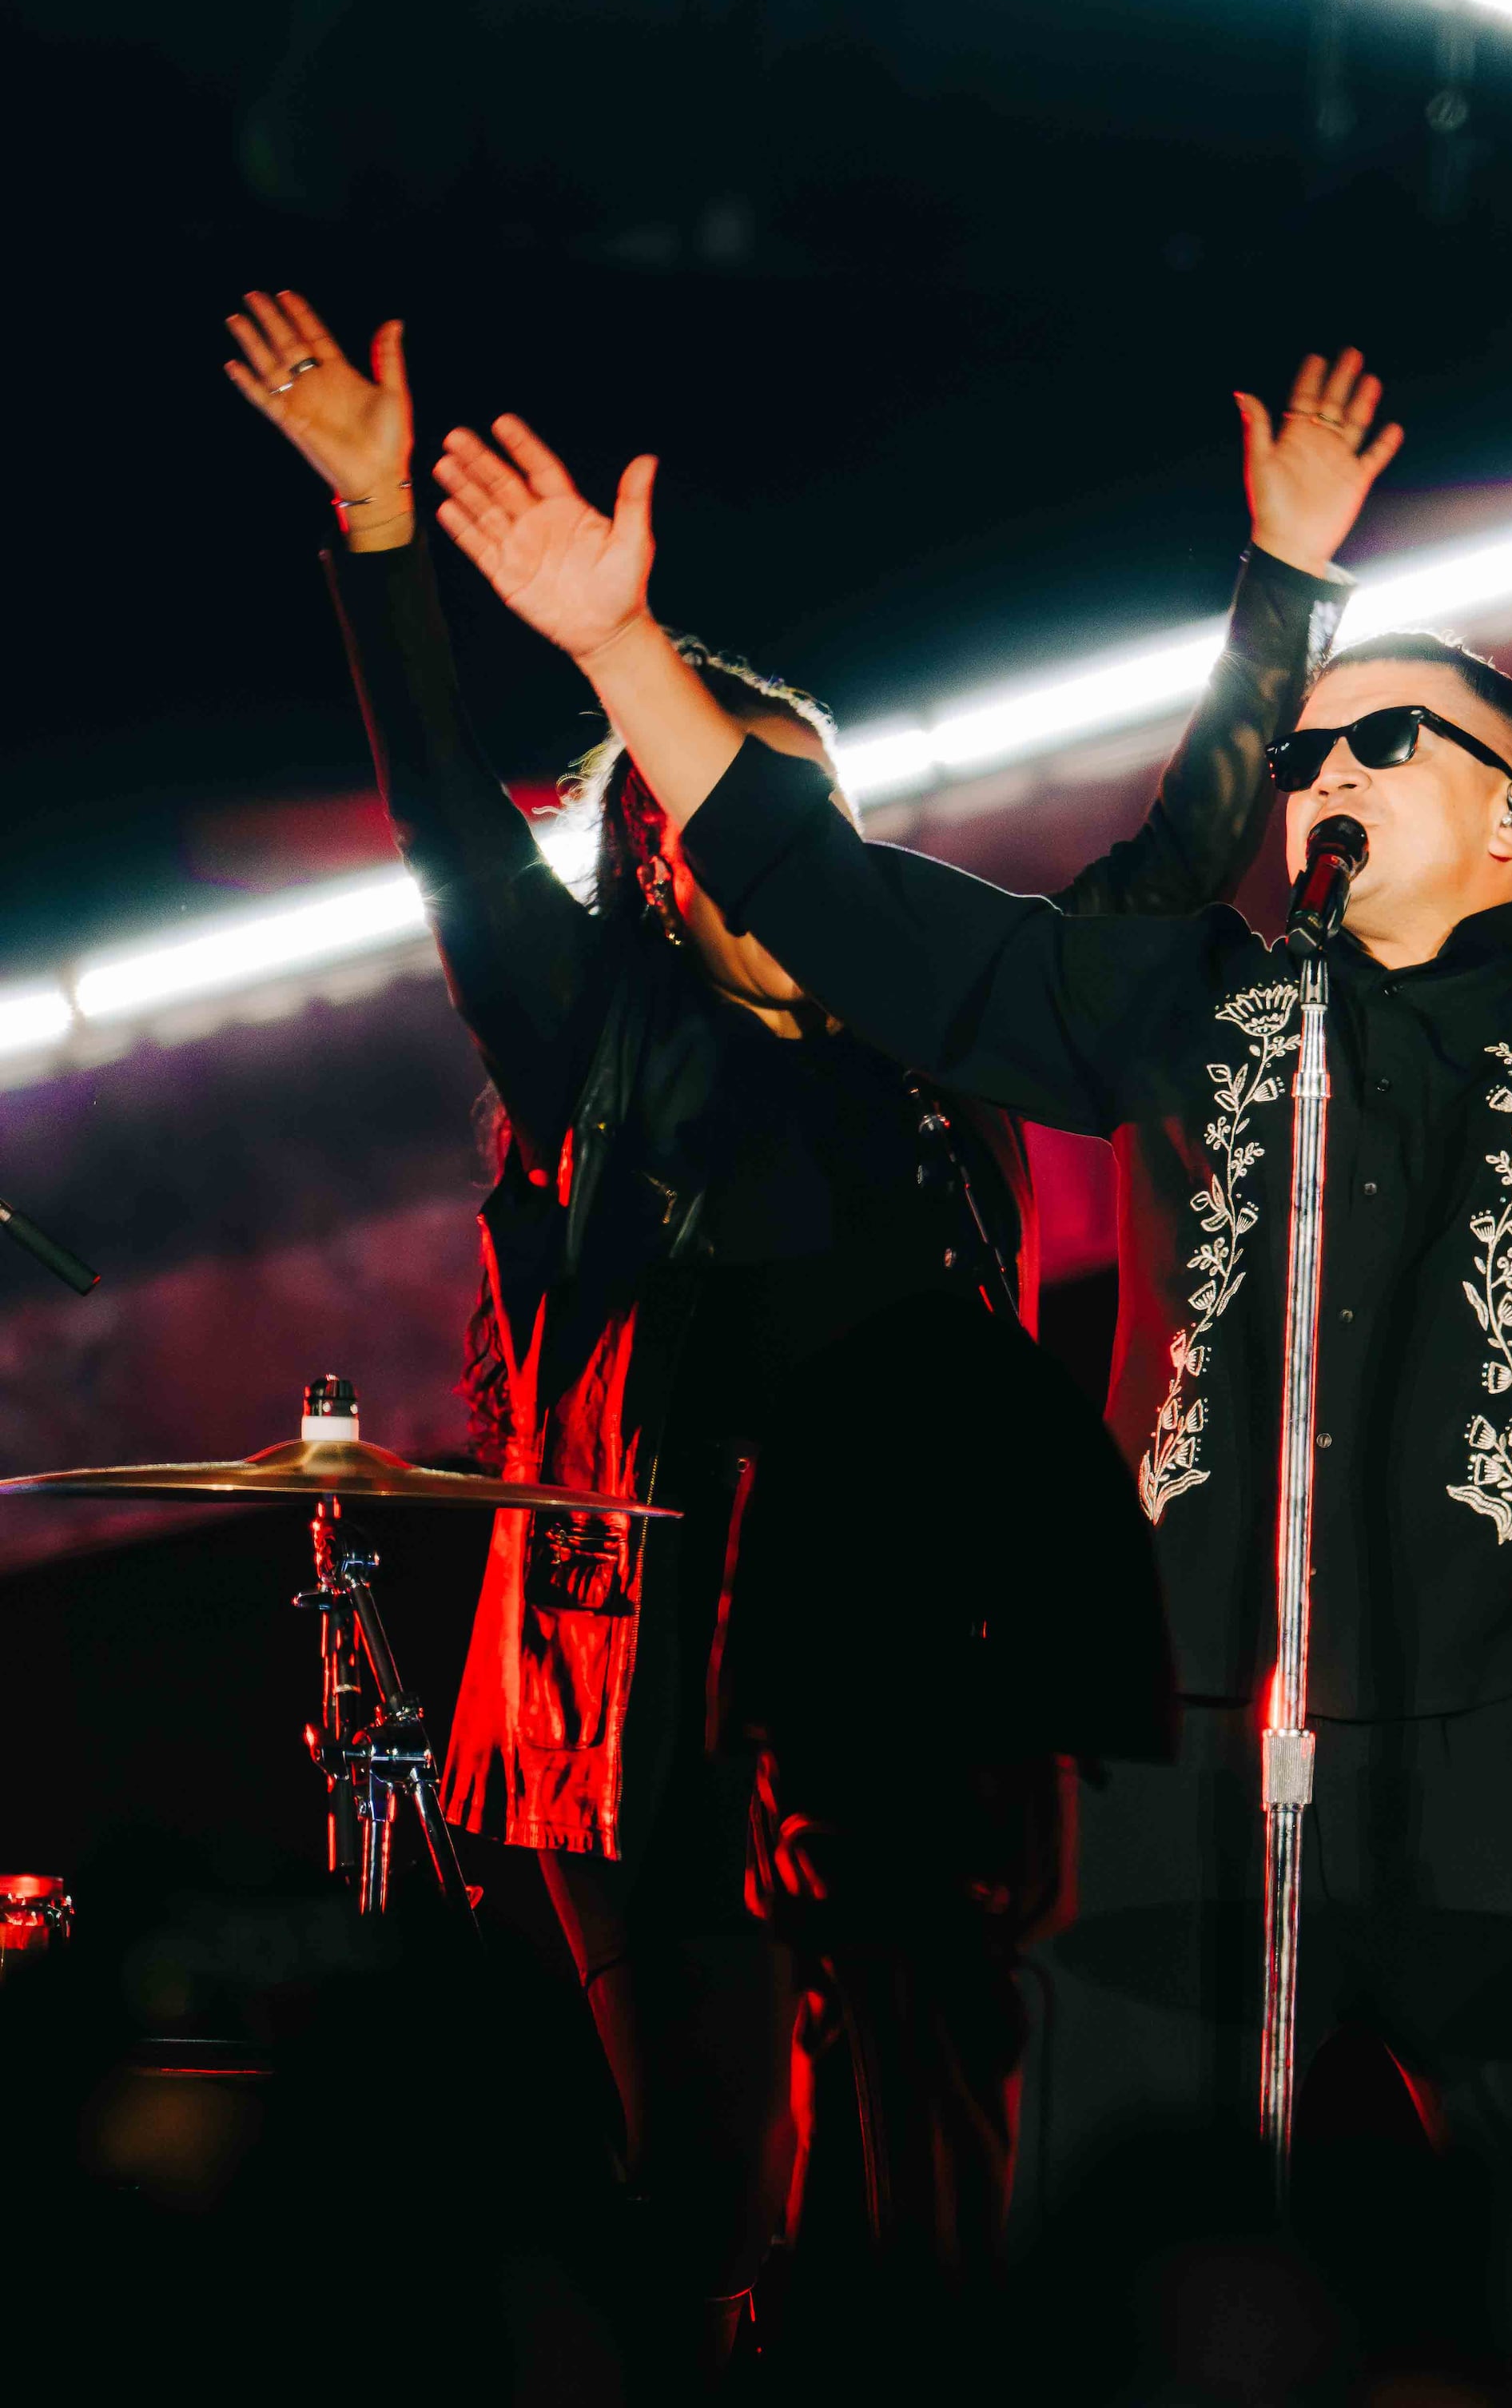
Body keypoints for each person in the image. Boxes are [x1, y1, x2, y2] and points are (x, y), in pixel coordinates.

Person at [422, 270, 1512, 2346]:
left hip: (1509, 1742)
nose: (1328, 776)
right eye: (1307, 756)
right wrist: (616, 646)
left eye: (1392, 740)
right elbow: (867, 915)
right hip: (1178, 1749)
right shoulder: (1192, 1011)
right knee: (1104, 2265)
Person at [225, 290, 1405, 2379]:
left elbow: (1152, 888)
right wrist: (378, 529)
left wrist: (1287, 582)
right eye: (709, 821)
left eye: (798, 817)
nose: (768, 862)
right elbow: (438, 826)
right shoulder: (589, 1032)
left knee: (932, 2163)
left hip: (913, 1687)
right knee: (721, 2190)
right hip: (656, 1716)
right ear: (654, 864)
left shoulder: (936, 1042)